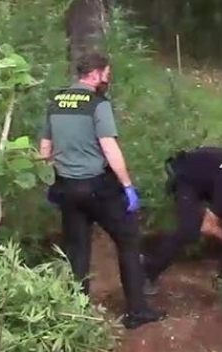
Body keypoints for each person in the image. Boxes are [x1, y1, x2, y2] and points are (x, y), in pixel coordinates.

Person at [39, 52, 166, 330]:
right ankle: (137, 311)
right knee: (128, 239)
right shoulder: (97, 104)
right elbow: (109, 148)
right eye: (106, 73)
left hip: (66, 188)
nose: (107, 78)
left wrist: (49, 181)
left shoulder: (56, 102)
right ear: (94, 74)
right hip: (97, 187)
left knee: (77, 249)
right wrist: (128, 186)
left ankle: (77, 312)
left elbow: (45, 148)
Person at [141, 145, 222, 294]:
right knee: (189, 230)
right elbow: (208, 228)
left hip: (210, 174)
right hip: (187, 176)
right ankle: (146, 272)